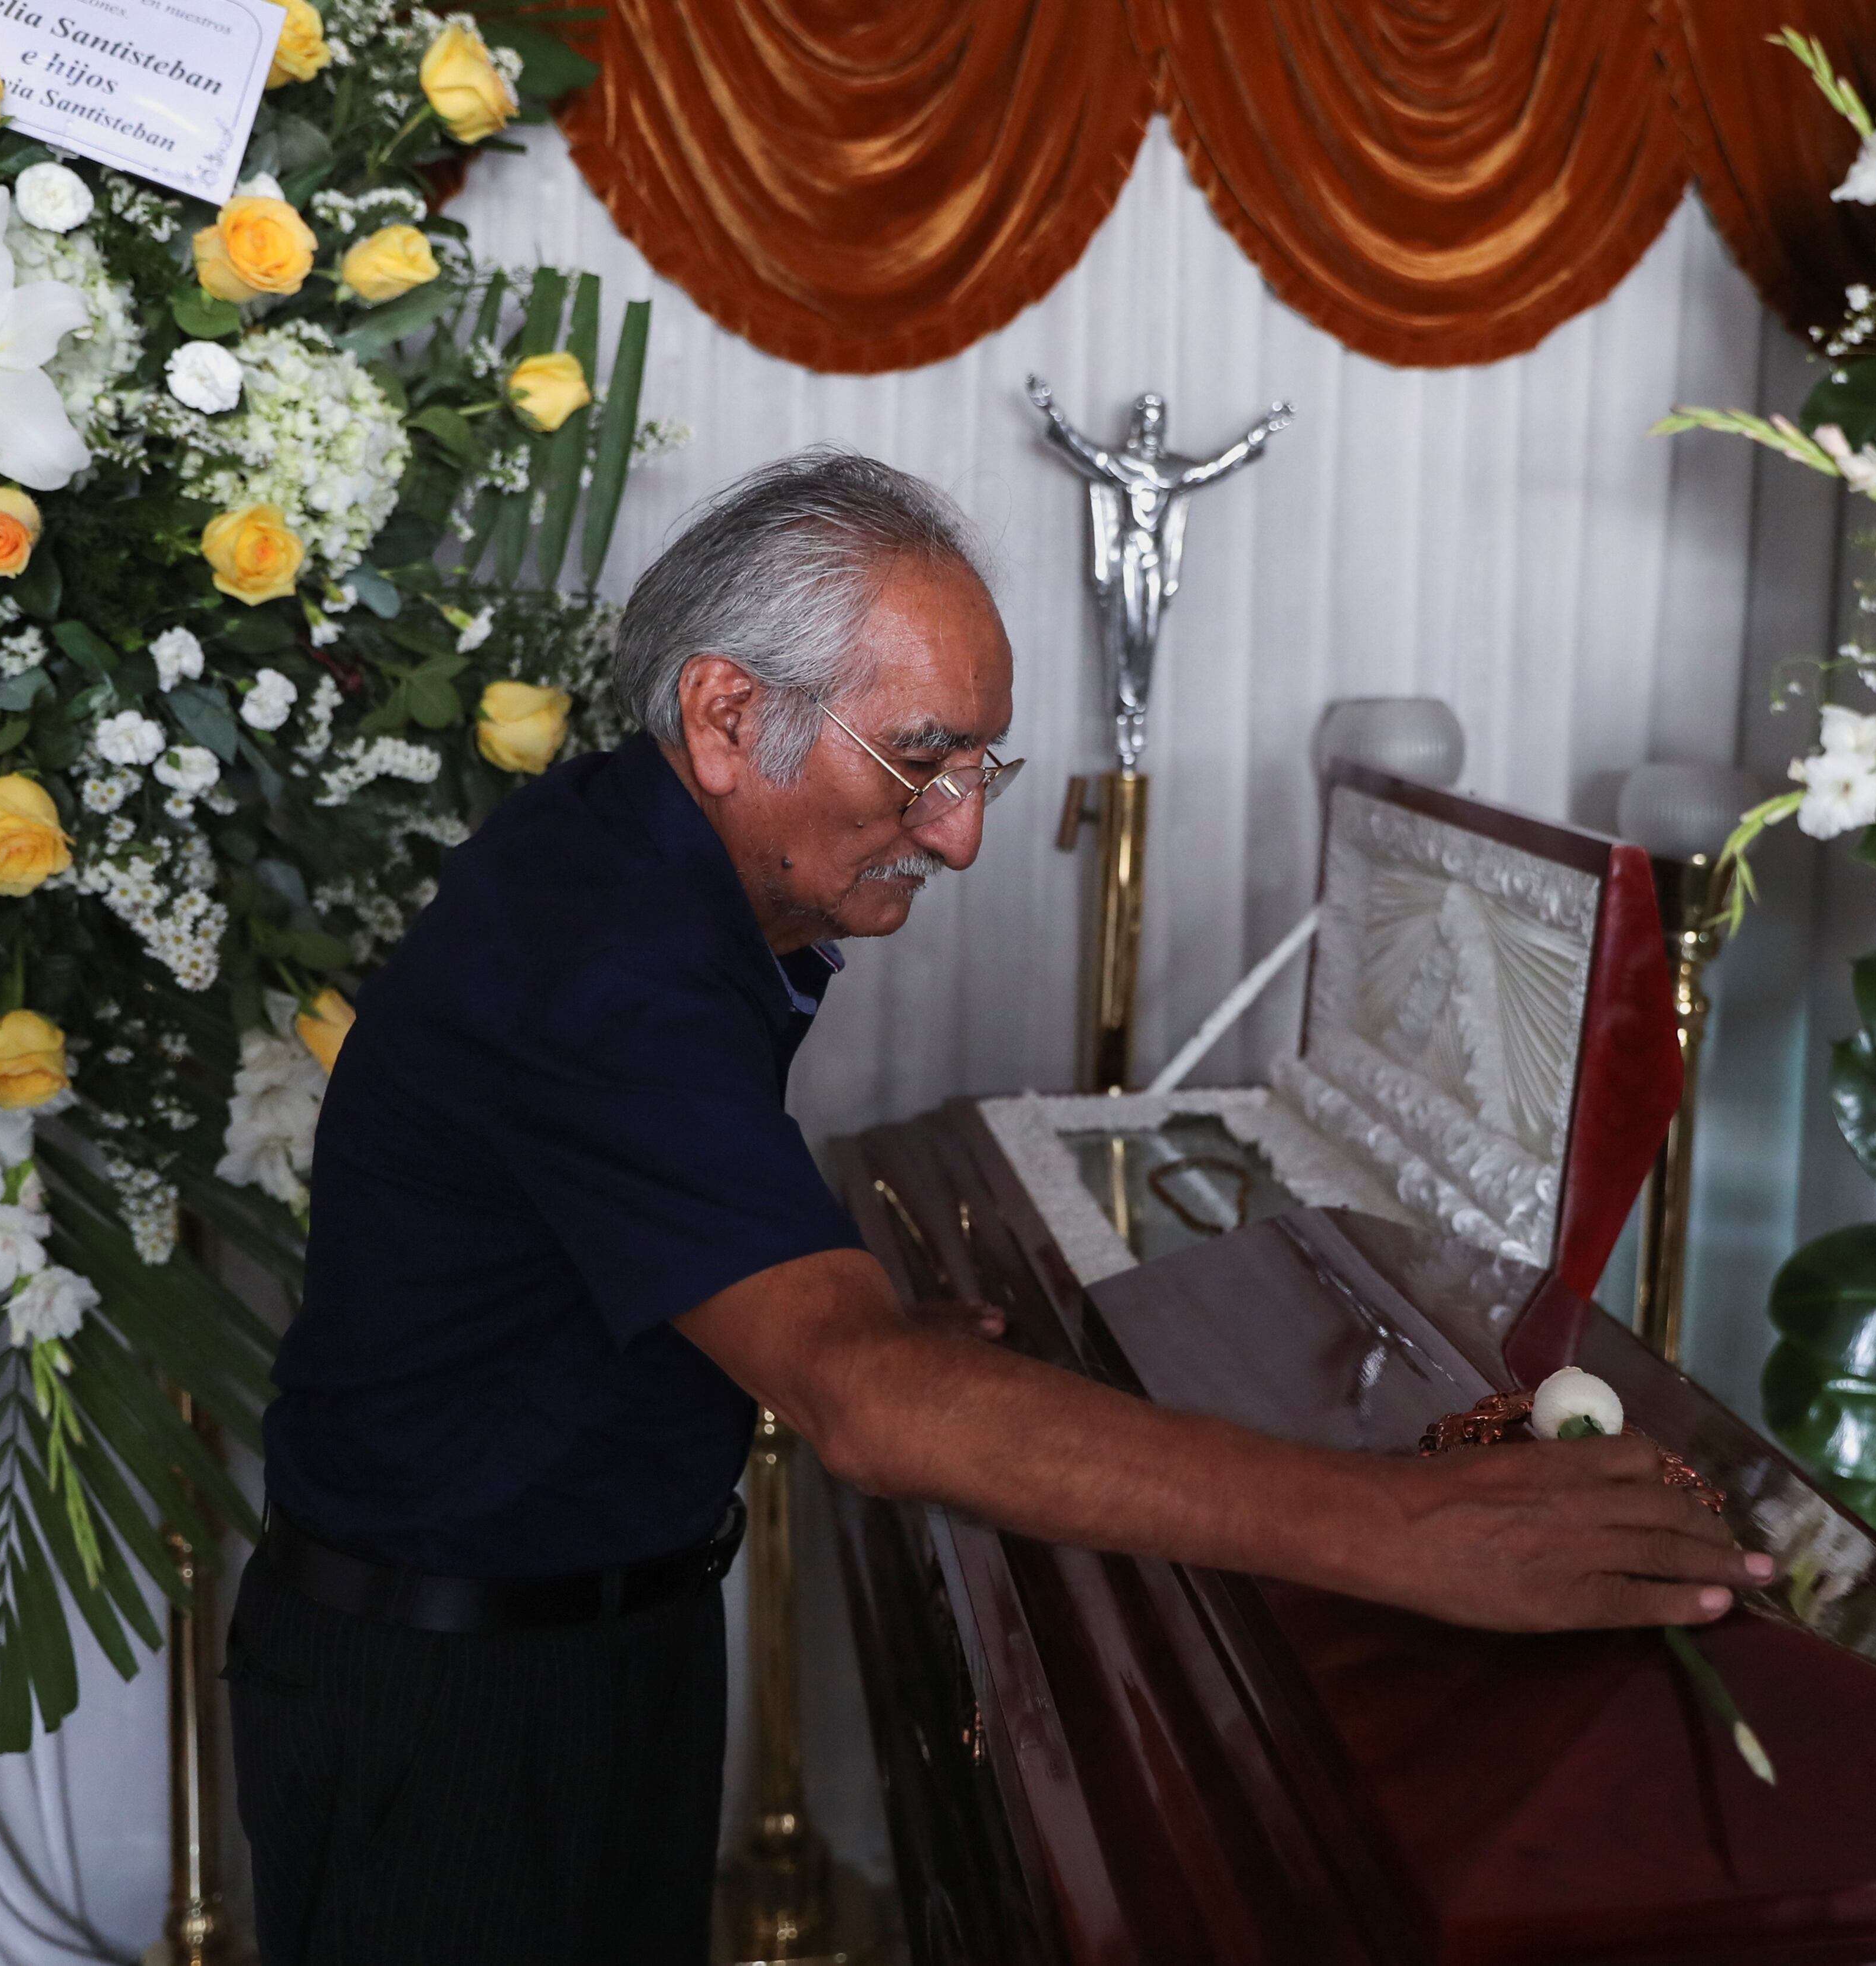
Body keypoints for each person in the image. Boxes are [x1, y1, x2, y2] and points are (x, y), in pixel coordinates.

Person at [230, 450, 1767, 1965]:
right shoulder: (600, 963)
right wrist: (1414, 1530)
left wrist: (877, 1330)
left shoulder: (641, 862)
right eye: (921, 760)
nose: (963, 830)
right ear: (724, 717)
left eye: (983, 765)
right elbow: (872, 1410)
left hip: (578, 1638)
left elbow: (637, 1249)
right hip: (457, 1706)